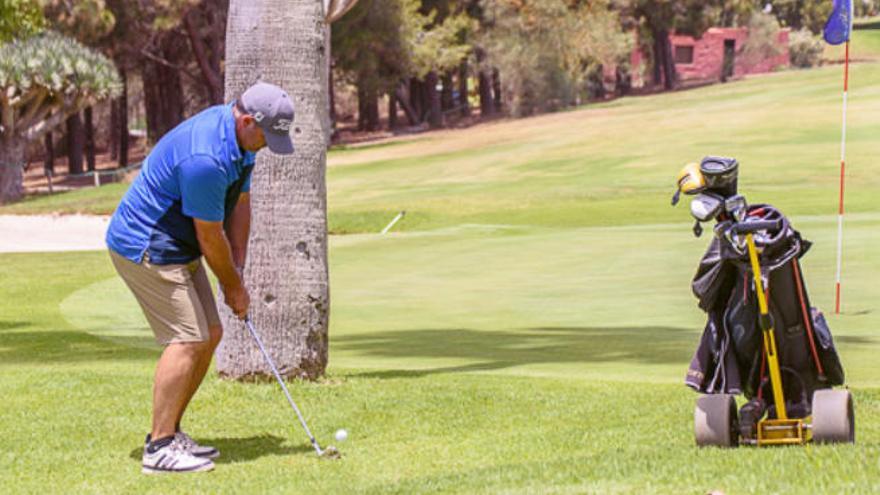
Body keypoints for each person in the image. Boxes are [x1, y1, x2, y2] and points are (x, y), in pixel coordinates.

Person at [105, 82, 295, 474]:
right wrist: (232, 287)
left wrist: (238, 265)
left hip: (179, 243)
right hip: (147, 246)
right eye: (267, 135)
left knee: (211, 332)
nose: (267, 144)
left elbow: (241, 202)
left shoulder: (243, 143)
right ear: (246, 120)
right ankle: (158, 448)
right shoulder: (206, 157)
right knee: (188, 338)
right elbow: (209, 235)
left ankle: (170, 433)